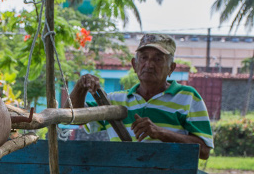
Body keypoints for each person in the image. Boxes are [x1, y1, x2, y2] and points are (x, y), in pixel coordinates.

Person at [66, 33, 213, 160]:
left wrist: (160, 133)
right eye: (143, 58)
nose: (149, 64)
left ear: (171, 68)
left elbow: (204, 151)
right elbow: (70, 117)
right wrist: (81, 86)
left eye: (158, 59)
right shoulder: (114, 101)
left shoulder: (188, 97)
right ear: (134, 65)